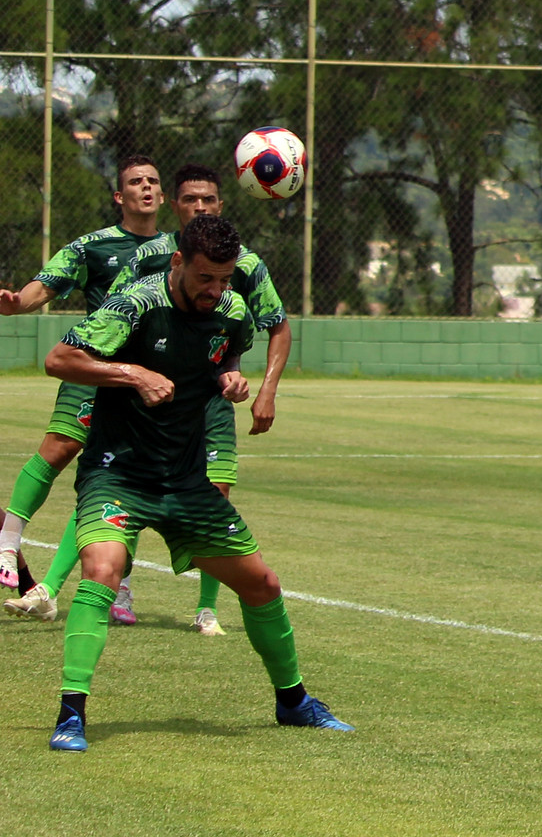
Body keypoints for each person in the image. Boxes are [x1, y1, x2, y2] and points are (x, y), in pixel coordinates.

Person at [37, 214, 349, 751]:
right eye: (206, 278)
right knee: (102, 570)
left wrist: (228, 376)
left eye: (225, 279)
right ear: (179, 262)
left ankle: (294, 703)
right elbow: (60, 359)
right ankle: (72, 714)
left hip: (184, 480)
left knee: (263, 585)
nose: (216, 290)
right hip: (118, 473)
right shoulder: (133, 305)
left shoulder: (230, 310)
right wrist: (133, 373)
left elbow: (225, 350)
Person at [70, 163, 291, 634]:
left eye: (208, 200)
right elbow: (95, 329)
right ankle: (76, 596)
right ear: (177, 205)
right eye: (191, 200)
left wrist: (241, 381)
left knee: (224, 505)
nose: (200, 207)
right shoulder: (148, 265)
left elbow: (251, 338)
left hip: (201, 411)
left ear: (221, 205)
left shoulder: (242, 276)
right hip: (128, 420)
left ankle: (208, 610)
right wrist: (130, 372)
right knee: (99, 534)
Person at [0, 155, 166, 620]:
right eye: (136, 182)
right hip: (95, 368)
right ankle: (8, 545)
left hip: (145, 381)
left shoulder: (178, 251)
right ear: (120, 196)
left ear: (163, 195)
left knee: (105, 478)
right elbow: (42, 287)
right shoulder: (93, 246)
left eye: (154, 182)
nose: (146, 188)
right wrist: (16, 305)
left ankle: (63, 588)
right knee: (57, 449)